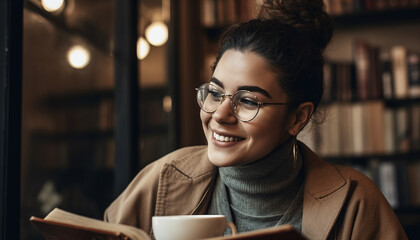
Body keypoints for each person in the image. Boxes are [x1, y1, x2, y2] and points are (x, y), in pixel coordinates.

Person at [104, 0, 408, 239]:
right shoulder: (164, 178)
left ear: (298, 118)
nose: (220, 116)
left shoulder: (356, 202)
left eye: (248, 101)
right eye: (214, 92)